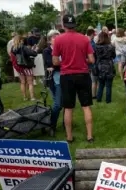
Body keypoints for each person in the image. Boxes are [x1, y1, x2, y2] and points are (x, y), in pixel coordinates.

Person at [52, 14, 95, 143]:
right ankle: (89, 136)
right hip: (83, 75)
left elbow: (54, 62)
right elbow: (92, 60)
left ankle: (69, 137)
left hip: (66, 76)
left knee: (68, 108)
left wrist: (65, 61)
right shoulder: (84, 39)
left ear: (63, 25)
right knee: (86, 106)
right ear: (75, 25)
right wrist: (81, 60)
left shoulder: (58, 40)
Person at [43, 30, 62, 136]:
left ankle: (64, 124)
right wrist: (57, 65)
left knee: (64, 103)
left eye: (58, 37)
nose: (57, 39)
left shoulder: (63, 48)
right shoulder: (46, 51)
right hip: (53, 79)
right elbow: (49, 63)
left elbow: (55, 64)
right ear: (50, 40)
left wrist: (56, 66)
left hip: (64, 76)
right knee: (58, 104)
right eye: (55, 37)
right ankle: (52, 125)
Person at [11, 35, 37, 101]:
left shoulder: (13, 48)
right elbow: (33, 54)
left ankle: (25, 97)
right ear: (21, 40)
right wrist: (34, 50)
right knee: (30, 83)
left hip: (19, 68)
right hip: (27, 67)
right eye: (22, 40)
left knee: (22, 82)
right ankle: (32, 97)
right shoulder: (23, 47)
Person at [95, 32, 116, 103]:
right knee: (108, 85)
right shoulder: (111, 47)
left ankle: (98, 98)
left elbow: (95, 57)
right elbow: (114, 56)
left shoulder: (96, 47)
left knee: (101, 84)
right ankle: (108, 100)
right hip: (109, 66)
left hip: (100, 66)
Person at [86, 28, 98, 99]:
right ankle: (93, 95)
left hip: (86, 63)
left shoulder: (84, 41)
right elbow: (93, 55)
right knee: (94, 81)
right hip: (92, 64)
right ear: (92, 34)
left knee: (88, 81)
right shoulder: (91, 43)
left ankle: (88, 93)